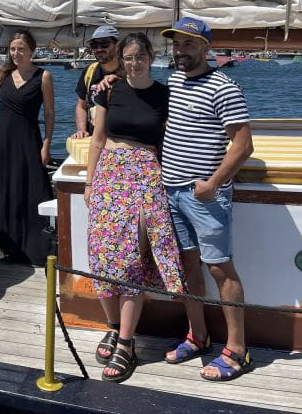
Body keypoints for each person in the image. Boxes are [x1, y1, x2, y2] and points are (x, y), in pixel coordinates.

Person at [84, 32, 184, 383]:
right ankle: (113, 327)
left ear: (151, 56)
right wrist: (89, 182)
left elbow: (172, 139)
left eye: (139, 56)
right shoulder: (108, 88)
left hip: (145, 176)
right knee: (100, 256)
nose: (133, 62)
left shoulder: (164, 94)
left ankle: (127, 342)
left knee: (130, 261)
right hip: (109, 173)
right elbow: (97, 139)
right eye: (127, 57)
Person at [159, 17, 255, 381]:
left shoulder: (223, 87)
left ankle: (237, 351)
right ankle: (197, 336)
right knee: (188, 266)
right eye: (176, 44)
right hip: (172, 191)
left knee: (220, 268)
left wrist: (213, 183)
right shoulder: (176, 81)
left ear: (206, 47)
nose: (180, 50)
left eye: (188, 44)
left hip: (204, 196)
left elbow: (243, 146)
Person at [0, 30, 54, 265]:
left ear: (31, 51)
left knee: (30, 189)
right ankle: (4, 243)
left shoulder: (43, 76)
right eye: (12, 49)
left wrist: (46, 144)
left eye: (21, 49)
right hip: (1, 140)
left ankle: (32, 246)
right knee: (2, 189)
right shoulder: (3, 74)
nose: (16, 53)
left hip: (28, 139)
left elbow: (49, 114)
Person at [71, 24, 122, 139]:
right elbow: (81, 106)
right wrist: (82, 130)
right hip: (94, 139)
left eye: (104, 44)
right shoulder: (89, 72)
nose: (99, 49)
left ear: (118, 45)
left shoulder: (129, 72)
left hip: (121, 141)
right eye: (94, 45)